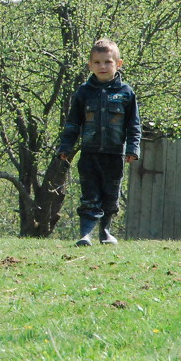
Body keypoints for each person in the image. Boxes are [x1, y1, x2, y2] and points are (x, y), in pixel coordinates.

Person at [57, 38, 141, 247]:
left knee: (110, 195)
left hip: (114, 155)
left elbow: (134, 125)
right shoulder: (84, 92)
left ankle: (105, 231)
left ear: (118, 64)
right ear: (90, 65)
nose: (102, 67)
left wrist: (132, 148)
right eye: (97, 62)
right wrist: (65, 147)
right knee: (89, 194)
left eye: (108, 62)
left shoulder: (126, 93)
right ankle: (85, 233)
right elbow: (73, 123)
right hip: (89, 154)